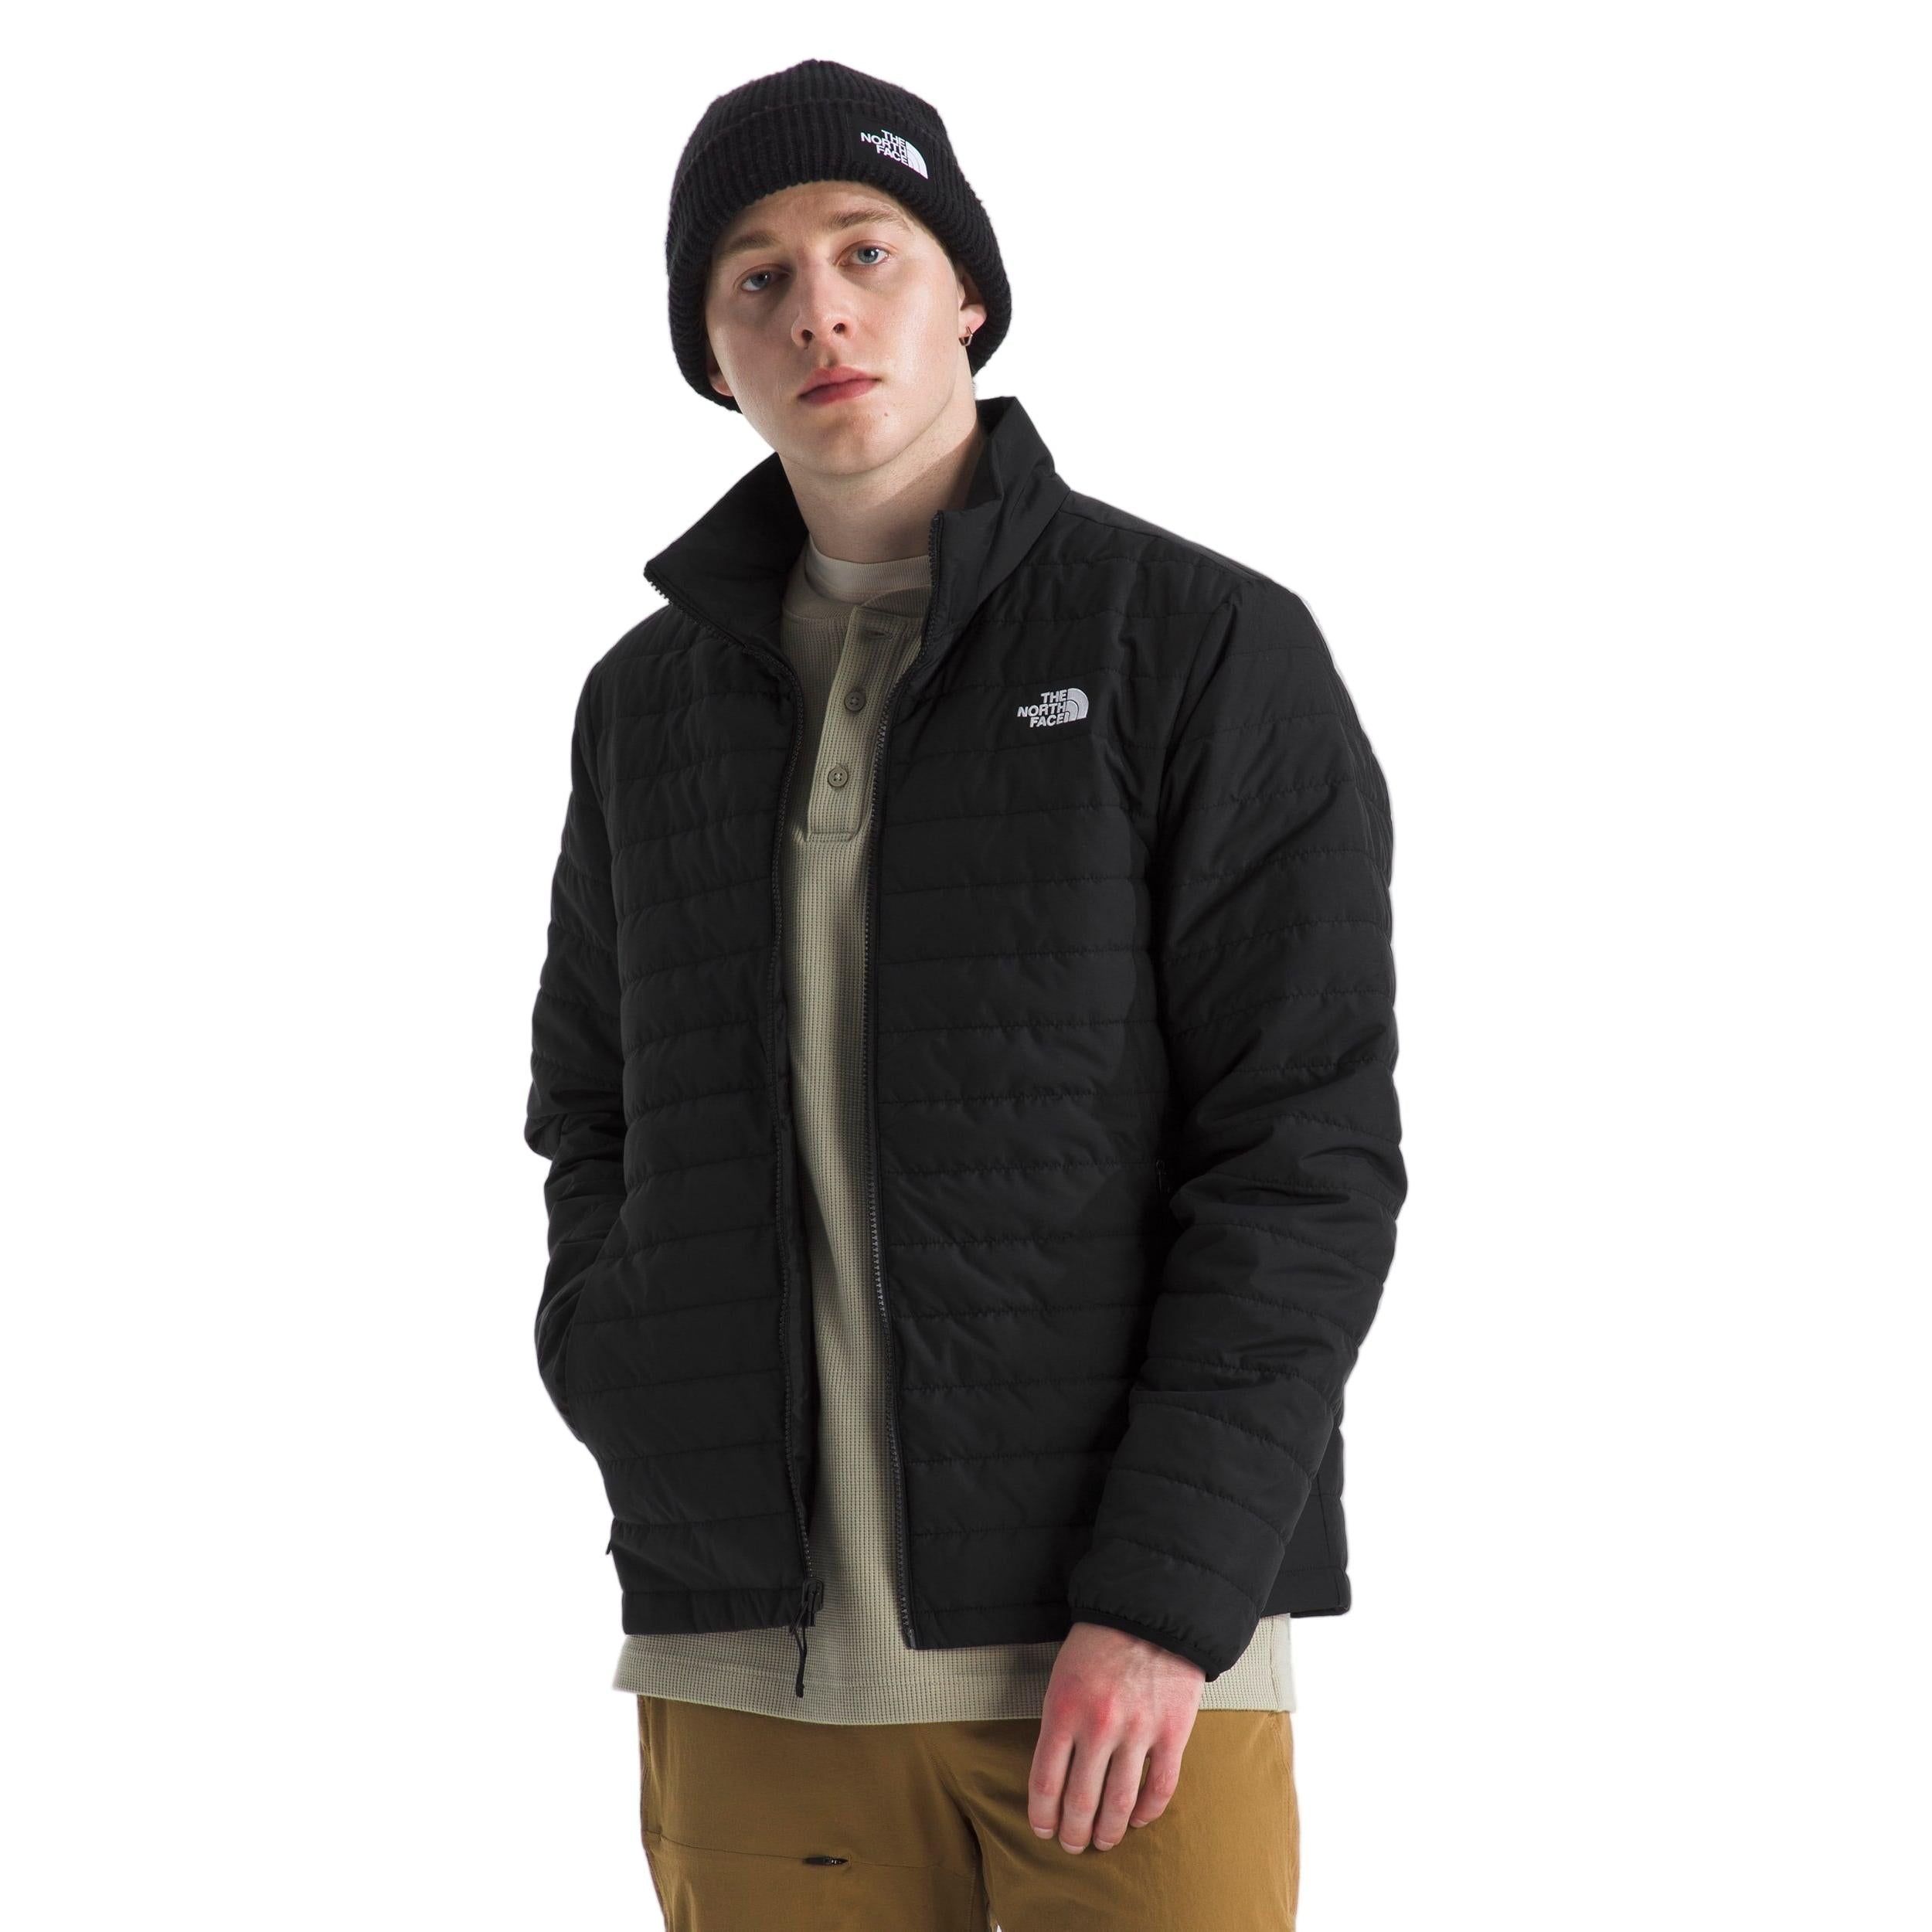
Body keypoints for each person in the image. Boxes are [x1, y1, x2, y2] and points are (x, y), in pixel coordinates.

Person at [524, 56, 1405, 1932]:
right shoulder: (643, 706)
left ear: (968, 297)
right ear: (709, 351)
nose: (816, 310)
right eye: (754, 277)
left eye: (868, 251)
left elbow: (1299, 1154)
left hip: (1123, 1679)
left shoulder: (1198, 644)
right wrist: (619, 1360)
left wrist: (1164, 1600)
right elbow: (591, 1106)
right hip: (750, 1668)